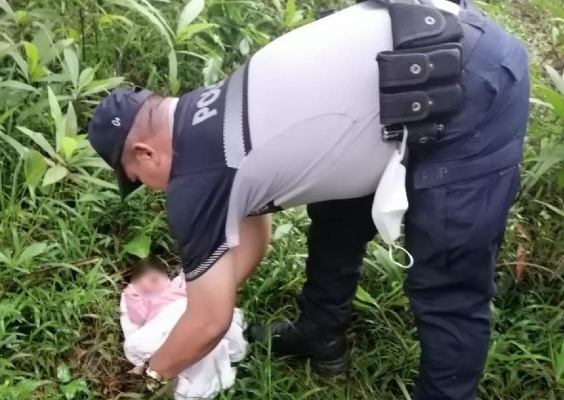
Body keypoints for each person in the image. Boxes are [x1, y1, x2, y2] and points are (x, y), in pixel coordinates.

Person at [87, 0, 530, 398]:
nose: (152, 188)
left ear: (146, 153)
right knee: (335, 209)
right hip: (422, 55)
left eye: (139, 178)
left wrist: (146, 379)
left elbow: (209, 323)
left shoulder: (194, 178)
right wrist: (197, 292)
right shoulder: (205, 110)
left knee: (447, 279)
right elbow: (253, 233)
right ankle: (321, 335)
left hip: (468, 86)